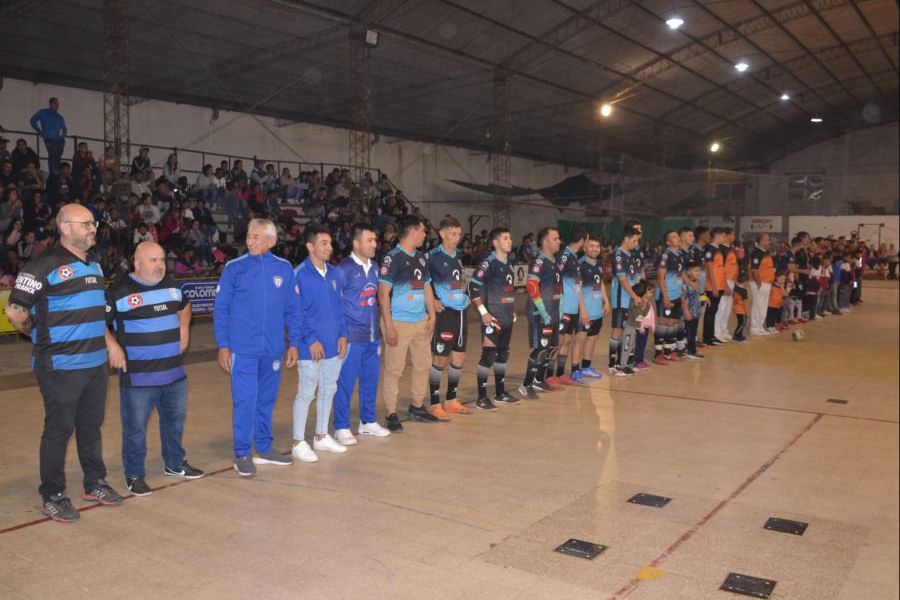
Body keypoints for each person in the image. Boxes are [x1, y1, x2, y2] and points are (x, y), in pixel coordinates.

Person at [5, 204, 123, 523]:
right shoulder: (43, 264)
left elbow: (98, 313)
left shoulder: (95, 265)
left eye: (93, 223)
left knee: (90, 427)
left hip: (95, 364)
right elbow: (15, 311)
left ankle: (94, 482)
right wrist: (40, 338)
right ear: (65, 227)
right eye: (85, 224)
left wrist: (111, 345)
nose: (92, 228)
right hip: (59, 366)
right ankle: (53, 494)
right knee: (58, 430)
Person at [105, 241, 204, 497]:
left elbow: (185, 306)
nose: (159, 265)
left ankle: (174, 464)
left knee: (175, 422)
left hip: (174, 373)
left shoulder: (173, 286)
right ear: (137, 263)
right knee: (135, 428)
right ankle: (134, 474)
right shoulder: (119, 291)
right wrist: (113, 346)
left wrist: (184, 330)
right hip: (139, 377)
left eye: (161, 259)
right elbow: (99, 324)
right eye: (153, 260)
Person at [214, 218, 301, 477]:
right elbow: (221, 310)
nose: (250, 241)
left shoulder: (284, 269)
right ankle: (242, 453)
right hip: (243, 349)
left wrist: (293, 343)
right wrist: (223, 346)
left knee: (266, 400)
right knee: (245, 400)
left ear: (271, 241)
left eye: (257, 237)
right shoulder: (234, 268)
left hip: (273, 349)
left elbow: (293, 310)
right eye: (249, 236)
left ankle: (264, 447)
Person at [291, 224, 349, 463]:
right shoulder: (299, 274)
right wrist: (310, 340)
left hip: (334, 344)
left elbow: (340, 308)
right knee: (307, 392)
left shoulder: (335, 273)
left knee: (329, 388)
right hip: (310, 347)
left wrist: (343, 334)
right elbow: (295, 312)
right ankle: (297, 441)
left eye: (330, 243)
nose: (329, 247)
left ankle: (321, 435)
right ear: (310, 246)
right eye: (324, 243)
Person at [332, 223, 392, 446]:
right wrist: (341, 333)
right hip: (351, 337)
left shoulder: (376, 267)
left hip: (372, 335)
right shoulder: (343, 269)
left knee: (370, 380)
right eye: (370, 240)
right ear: (356, 243)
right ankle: (341, 426)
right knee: (345, 383)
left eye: (375, 240)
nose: (374, 244)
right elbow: (335, 303)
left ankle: (367, 421)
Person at [378, 215, 438, 431]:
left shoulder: (421, 258)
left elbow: (427, 286)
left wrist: (432, 314)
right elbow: (383, 294)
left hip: (420, 321)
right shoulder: (392, 258)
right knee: (394, 369)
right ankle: (391, 413)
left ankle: (417, 405)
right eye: (423, 231)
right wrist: (389, 325)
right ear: (413, 232)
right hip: (398, 322)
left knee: (423, 365)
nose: (425, 235)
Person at [426, 217, 476, 420]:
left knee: (459, 357)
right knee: (440, 357)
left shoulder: (457, 255)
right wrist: (433, 301)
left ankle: (451, 399)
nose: (456, 239)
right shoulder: (432, 257)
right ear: (442, 233)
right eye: (452, 234)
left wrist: (465, 297)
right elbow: (422, 281)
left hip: (461, 312)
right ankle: (435, 403)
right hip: (445, 312)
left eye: (458, 235)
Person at [469, 227, 519, 407]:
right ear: (495, 242)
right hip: (493, 319)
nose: (510, 241)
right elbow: (472, 287)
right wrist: (483, 312)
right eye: (505, 238)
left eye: (510, 238)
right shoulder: (488, 262)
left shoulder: (510, 263)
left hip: (506, 317)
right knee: (488, 357)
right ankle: (481, 397)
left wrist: (511, 309)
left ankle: (500, 392)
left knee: (502, 355)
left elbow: (507, 289)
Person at [521, 227, 564, 393]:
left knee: (551, 348)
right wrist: (542, 310)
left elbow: (558, 288)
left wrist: (560, 308)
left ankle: (539, 379)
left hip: (553, 312)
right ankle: (526, 384)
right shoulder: (539, 261)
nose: (559, 241)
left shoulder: (554, 261)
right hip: (540, 314)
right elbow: (531, 285)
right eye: (555, 238)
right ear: (545, 242)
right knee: (540, 348)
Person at [553, 228, 590, 385]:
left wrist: (582, 309)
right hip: (564, 307)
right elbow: (554, 278)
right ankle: (548, 375)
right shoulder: (564, 255)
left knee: (566, 341)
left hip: (573, 308)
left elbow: (577, 286)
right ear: (583, 240)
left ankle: (560, 374)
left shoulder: (575, 258)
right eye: (587, 240)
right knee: (558, 342)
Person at [571, 235, 609, 379]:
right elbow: (577, 288)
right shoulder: (579, 264)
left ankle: (586, 367)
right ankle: (575, 370)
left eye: (597, 246)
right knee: (579, 340)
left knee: (592, 339)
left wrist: (606, 301)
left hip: (597, 311)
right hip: (584, 311)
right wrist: (583, 311)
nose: (595, 249)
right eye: (591, 246)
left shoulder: (598, 264)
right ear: (585, 247)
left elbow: (601, 284)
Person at [608, 226, 643, 376]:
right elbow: (622, 280)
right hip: (621, 299)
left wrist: (640, 294)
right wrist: (634, 296)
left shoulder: (630, 254)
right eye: (634, 240)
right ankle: (612, 365)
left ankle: (622, 363)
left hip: (630, 298)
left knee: (626, 331)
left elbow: (634, 278)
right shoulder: (618, 255)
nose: (636, 244)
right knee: (617, 330)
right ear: (626, 238)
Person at [653, 230, 686, 365]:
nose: (677, 238)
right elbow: (661, 276)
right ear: (668, 242)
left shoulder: (679, 254)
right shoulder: (665, 255)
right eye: (673, 237)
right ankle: (658, 354)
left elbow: (679, 275)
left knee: (673, 323)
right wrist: (665, 297)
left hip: (677, 295)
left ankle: (668, 352)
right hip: (666, 295)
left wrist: (682, 292)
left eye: (677, 236)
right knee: (663, 324)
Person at [30, 98, 67, 175]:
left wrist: (63, 135)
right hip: (49, 139)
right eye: (55, 103)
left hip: (58, 140)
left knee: (58, 157)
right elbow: (33, 120)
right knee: (52, 155)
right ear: (50, 104)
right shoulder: (43, 112)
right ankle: (53, 174)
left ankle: (57, 173)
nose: (57, 105)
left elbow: (64, 127)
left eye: (58, 103)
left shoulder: (59, 116)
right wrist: (39, 131)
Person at [702, 227, 727, 346]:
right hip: (713, 286)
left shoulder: (719, 249)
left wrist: (724, 285)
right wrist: (714, 286)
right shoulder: (709, 249)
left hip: (720, 284)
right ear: (717, 235)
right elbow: (710, 269)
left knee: (714, 311)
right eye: (723, 235)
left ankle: (712, 336)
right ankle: (707, 338)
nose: (724, 238)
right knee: (710, 312)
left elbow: (720, 269)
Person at [749, 233, 775, 336]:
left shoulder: (766, 253)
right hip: (760, 283)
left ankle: (760, 326)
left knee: (763, 306)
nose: (769, 242)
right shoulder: (757, 253)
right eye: (767, 240)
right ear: (761, 241)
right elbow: (754, 269)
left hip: (767, 283)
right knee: (758, 306)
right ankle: (754, 328)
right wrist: (758, 283)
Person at [714, 227, 737, 341]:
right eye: (732, 235)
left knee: (727, 308)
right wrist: (725, 284)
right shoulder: (721, 250)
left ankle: (724, 329)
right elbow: (720, 269)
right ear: (726, 236)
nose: (734, 237)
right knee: (721, 307)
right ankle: (716, 331)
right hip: (724, 280)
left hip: (731, 280)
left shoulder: (730, 249)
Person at [683, 262, 704, 359]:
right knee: (689, 331)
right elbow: (684, 300)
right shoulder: (685, 285)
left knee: (694, 331)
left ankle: (689, 348)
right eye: (695, 271)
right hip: (689, 313)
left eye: (699, 271)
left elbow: (698, 295)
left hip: (696, 312)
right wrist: (686, 312)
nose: (698, 273)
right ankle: (692, 350)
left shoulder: (698, 282)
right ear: (688, 272)